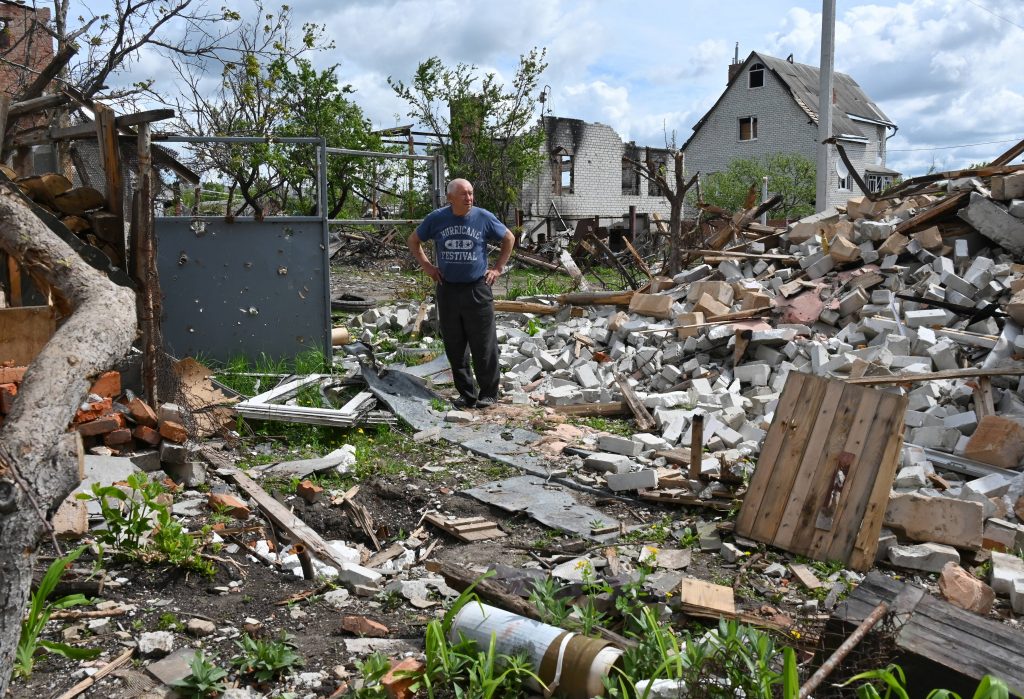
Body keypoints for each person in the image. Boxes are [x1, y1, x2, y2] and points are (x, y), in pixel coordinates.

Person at [408, 178, 515, 409]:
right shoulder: (436, 219)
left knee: (483, 344)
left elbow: (509, 238)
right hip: (448, 290)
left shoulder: (483, 217)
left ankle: (488, 394)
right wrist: (427, 266)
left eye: (471, 193)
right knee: (455, 345)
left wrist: (497, 268)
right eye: (463, 194)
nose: (469, 198)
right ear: (450, 198)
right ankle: (466, 394)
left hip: (477, 289)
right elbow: (414, 240)